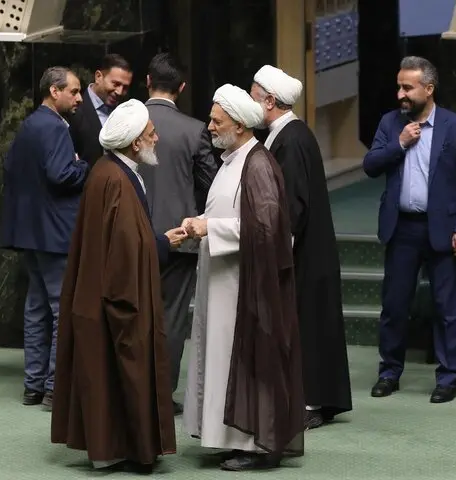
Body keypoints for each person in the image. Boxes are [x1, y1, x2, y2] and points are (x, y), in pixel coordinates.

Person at [51, 99, 187, 472]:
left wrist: (160, 242)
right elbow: (126, 252)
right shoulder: (117, 180)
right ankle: (128, 450)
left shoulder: (108, 171)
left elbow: (127, 240)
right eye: (151, 134)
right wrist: (162, 245)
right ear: (134, 142)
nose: (156, 138)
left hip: (101, 293)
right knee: (120, 371)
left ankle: (113, 449)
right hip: (116, 299)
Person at [181, 84, 305, 472]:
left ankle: (252, 443)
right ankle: (227, 437)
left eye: (216, 121)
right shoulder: (232, 160)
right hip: (223, 279)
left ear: (238, 124)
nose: (210, 126)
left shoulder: (258, 164)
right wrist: (199, 224)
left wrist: (210, 228)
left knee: (244, 361)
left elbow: (268, 229)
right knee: (219, 358)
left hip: (243, 286)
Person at [362, 56, 456, 404]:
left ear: (428, 89)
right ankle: (389, 372)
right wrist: (399, 143)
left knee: (446, 307)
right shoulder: (390, 124)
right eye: (399, 86)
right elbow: (370, 165)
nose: (401, 94)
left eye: (408, 87)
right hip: (402, 228)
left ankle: (449, 377)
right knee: (394, 306)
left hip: (443, 228)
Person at [251, 65, 352, 429]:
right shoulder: (289, 134)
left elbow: (291, 205)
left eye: (253, 97)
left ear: (269, 101)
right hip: (307, 252)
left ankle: (311, 402)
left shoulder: (291, 139)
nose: (249, 103)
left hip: (304, 254)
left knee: (308, 326)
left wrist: (274, 251)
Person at [0, 66, 88, 411]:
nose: (79, 98)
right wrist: (82, 166)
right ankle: (54, 389)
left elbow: (10, 168)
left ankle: (33, 386)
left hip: (30, 232)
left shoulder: (29, 124)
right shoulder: (55, 127)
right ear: (55, 91)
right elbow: (61, 174)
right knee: (61, 311)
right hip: (56, 234)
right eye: (74, 91)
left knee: (36, 310)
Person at [138, 53, 219, 414]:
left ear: (147, 81)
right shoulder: (194, 129)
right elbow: (212, 185)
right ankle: (160, 393)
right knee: (171, 318)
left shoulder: (126, 121)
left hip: (133, 235)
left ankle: (130, 389)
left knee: (132, 312)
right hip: (180, 238)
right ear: (182, 87)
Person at [68, 54, 133, 167]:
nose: (119, 92)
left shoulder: (126, 111)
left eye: (125, 87)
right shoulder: (74, 109)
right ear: (98, 76)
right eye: (116, 84)